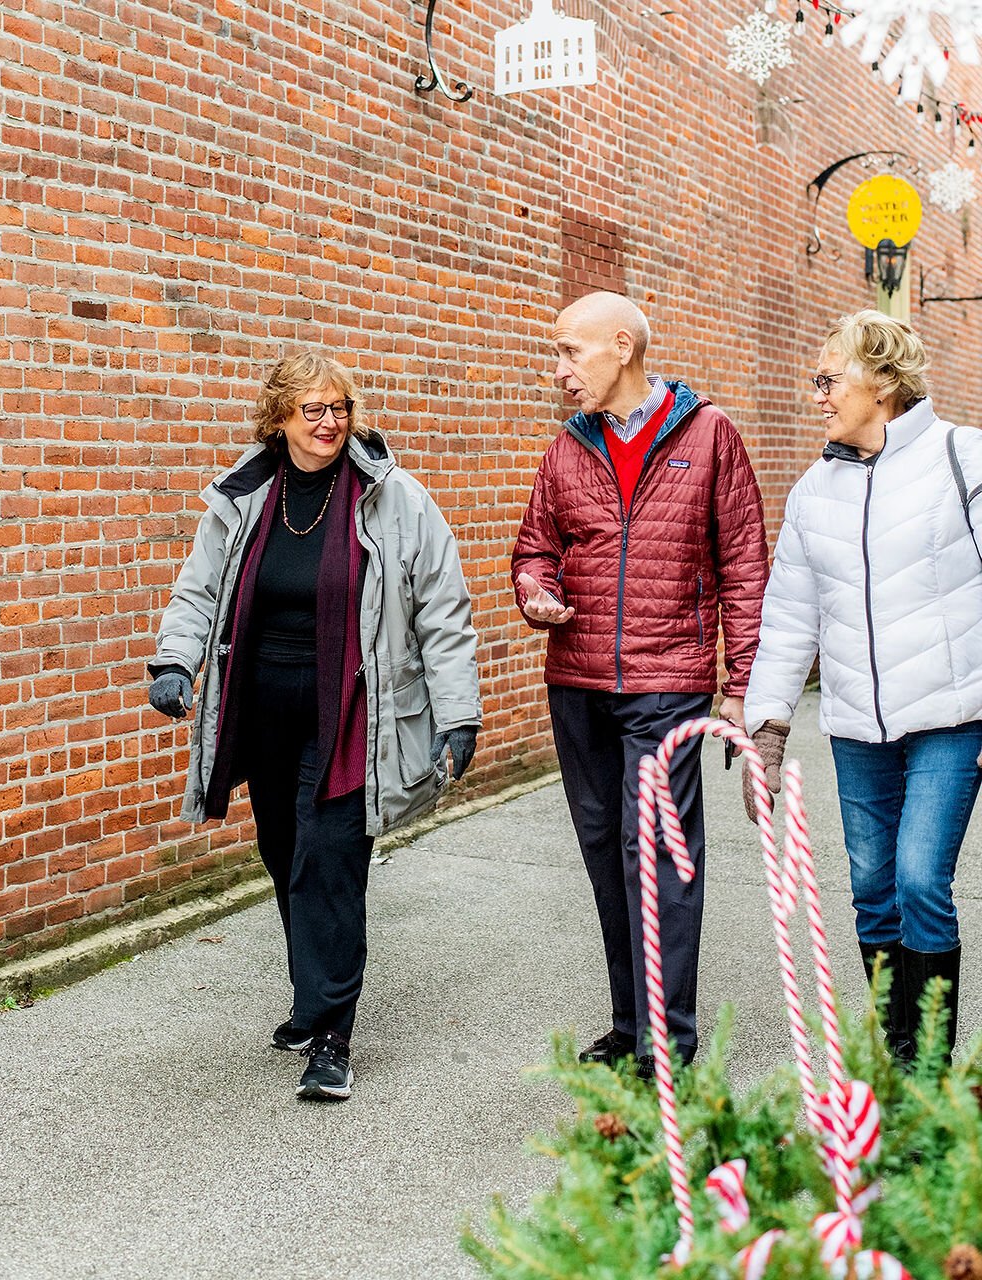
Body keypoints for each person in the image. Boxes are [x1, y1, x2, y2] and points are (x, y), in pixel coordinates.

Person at [148, 348, 481, 1102]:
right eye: (314, 410)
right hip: (264, 705)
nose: (331, 423)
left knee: (330, 859)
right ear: (280, 418)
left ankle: (332, 1035)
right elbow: (198, 590)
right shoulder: (245, 495)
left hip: (350, 710)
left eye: (341, 408)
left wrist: (458, 713)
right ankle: (312, 999)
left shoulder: (392, 497)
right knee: (285, 850)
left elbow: (443, 609)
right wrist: (174, 663)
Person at [511, 290, 768, 1077]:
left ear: (621, 346)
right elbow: (534, 547)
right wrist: (535, 590)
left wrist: (743, 684)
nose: (559, 371)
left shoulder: (708, 434)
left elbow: (746, 565)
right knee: (603, 852)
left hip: (668, 682)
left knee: (653, 851)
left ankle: (670, 1039)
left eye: (570, 352)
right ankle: (630, 1025)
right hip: (579, 682)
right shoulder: (568, 448)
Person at [744, 309, 982, 1066]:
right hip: (855, 727)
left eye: (828, 378)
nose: (817, 394)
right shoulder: (815, 491)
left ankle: (929, 1061)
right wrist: (770, 725)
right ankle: (898, 1046)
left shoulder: (962, 459)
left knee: (918, 880)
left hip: (951, 716)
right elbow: (789, 615)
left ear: (882, 382)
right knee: (873, 891)